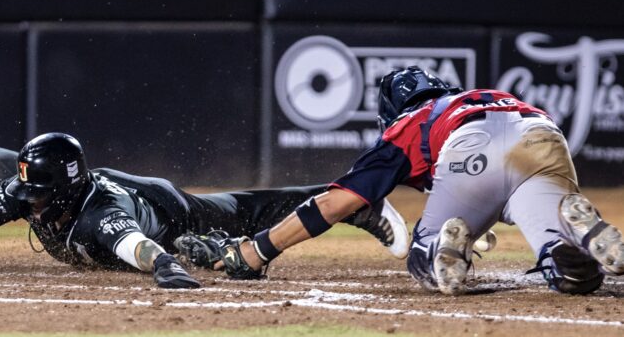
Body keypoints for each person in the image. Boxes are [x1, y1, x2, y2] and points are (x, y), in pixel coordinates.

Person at [201, 66, 624, 295]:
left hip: (468, 144)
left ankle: (440, 244)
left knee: (423, 256)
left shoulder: (405, 125)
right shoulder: (473, 95)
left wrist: (258, 250)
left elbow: (335, 203)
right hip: (541, 131)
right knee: (572, 277)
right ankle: (572, 235)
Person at [0, 131, 409, 289]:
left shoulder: (100, 216)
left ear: (66, 193)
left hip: (167, 209)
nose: (31, 207)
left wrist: (167, 265)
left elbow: (136, 248)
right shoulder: (36, 188)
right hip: (89, 182)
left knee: (249, 208)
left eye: (41, 197)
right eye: (31, 196)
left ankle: (358, 206)